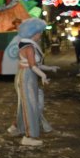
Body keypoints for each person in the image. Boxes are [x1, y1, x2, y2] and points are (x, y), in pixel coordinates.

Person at [14, 18, 58, 146]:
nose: (40, 35)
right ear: (33, 33)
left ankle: (22, 129)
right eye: (39, 32)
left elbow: (35, 65)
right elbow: (33, 66)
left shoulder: (26, 45)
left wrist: (49, 68)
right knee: (30, 105)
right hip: (27, 76)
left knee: (28, 103)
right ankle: (29, 136)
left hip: (28, 75)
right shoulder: (29, 47)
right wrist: (44, 75)